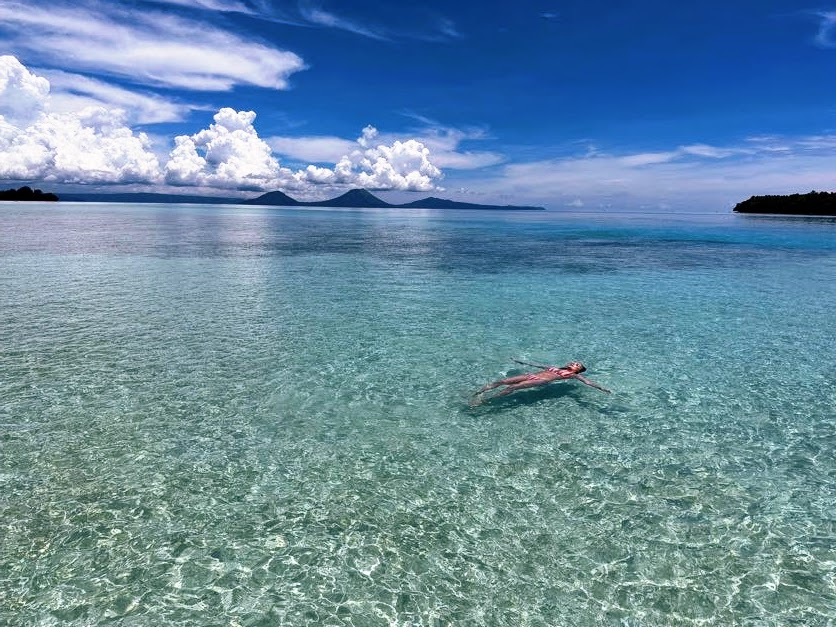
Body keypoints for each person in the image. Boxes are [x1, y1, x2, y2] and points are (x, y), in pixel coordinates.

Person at [473, 360, 611, 401]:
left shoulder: (573, 375)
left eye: (577, 365)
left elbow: (587, 382)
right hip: (531, 375)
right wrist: (519, 361)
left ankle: (488, 399)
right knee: (502, 381)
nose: (573, 363)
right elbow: (537, 365)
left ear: (577, 370)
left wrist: (602, 388)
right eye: (575, 362)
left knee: (512, 388)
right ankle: (478, 393)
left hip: (540, 380)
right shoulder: (555, 367)